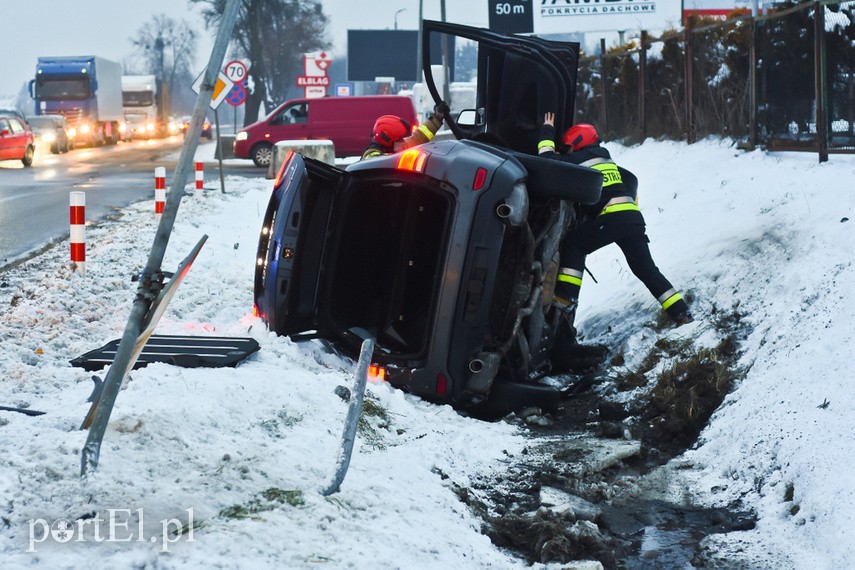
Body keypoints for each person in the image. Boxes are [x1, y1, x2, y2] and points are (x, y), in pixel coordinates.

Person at [538, 112, 693, 364]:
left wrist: (546, 131)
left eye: (568, 145)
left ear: (577, 142)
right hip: (632, 217)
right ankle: (681, 313)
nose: (567, 149)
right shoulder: (604, 158)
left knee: (575, 243)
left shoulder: (580, 157)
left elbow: (547, 162)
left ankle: (564, 299)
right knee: (646, 269)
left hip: (611, 218)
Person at [361, 102, 449, 160]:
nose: (403, 142)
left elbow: (418, 138)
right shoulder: (371, 158)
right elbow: (381, 162)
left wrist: (437, 117)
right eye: (399, 140)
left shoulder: (393, 148)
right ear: (387, 140)